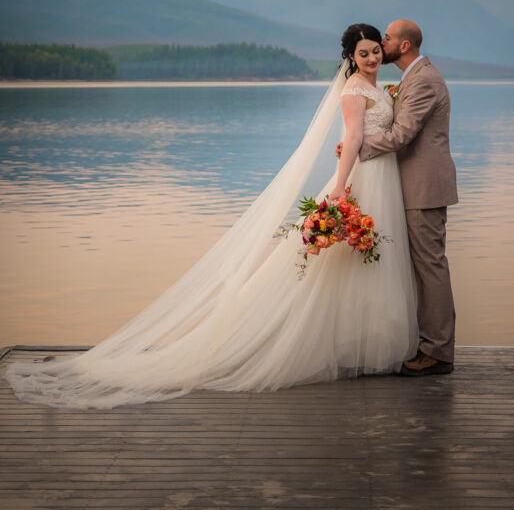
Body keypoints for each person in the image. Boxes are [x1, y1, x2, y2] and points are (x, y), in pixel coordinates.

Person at [4, 24, 418, 408]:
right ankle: (329, 342)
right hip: (363, 177)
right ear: (350, 55)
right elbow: (352, 139)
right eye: (363, 54)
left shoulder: (377, 86)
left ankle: (366, 342)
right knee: (342, 261)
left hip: (382, 177)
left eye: (375, 52)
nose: (371, 59)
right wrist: (341, 188)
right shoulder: (353, 90)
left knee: (365, 262)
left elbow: (374, 132)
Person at [341, 19, 459, 377]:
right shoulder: (411, 79)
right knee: (422, 267)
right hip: (410, 186)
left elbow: (402, 135)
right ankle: (424, 344)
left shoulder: (423, 80)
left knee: (430, 266)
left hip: (424, 188)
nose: (382, 43)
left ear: (403, 46)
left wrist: (357, 147)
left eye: (387, 39)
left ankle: (437, 353)